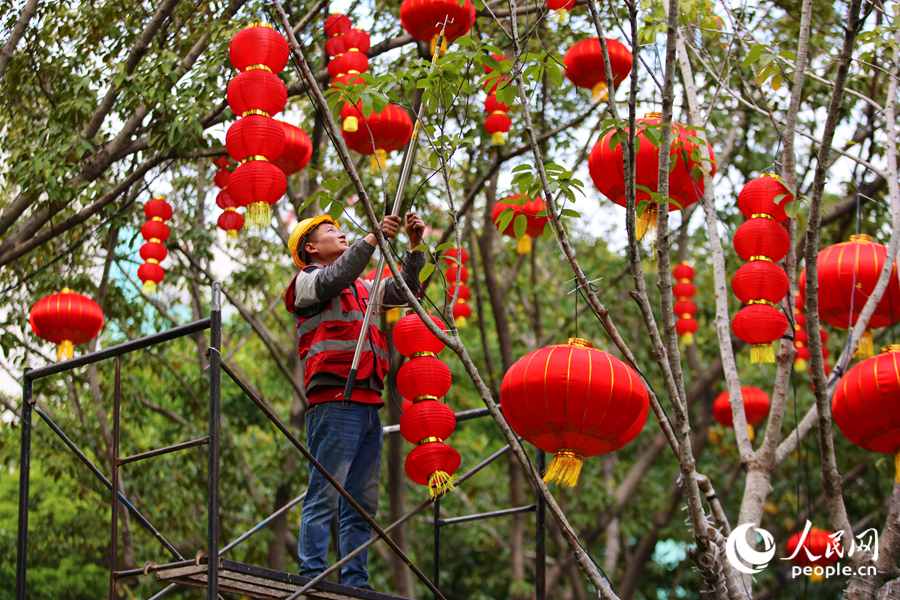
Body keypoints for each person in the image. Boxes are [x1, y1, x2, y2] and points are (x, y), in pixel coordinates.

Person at [283, 211, 426, 589]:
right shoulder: (306, 282)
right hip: (334, 400)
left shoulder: (365, 287)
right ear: (310, 248)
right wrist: (372, 240)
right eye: (332, 230)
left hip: (367, 402)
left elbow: (407, 290)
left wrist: (414, 248)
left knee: (361, 503)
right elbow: (336, 277)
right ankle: (312, 573)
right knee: (325, 494)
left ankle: (355, 579)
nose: (341, 232)